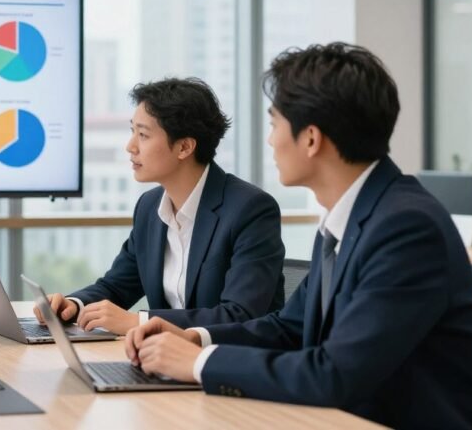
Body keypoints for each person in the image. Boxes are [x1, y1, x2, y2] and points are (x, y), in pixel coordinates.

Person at [124, 43, 472, 429]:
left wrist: (197, 363)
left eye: (275, 124)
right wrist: (193, 337)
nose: (270, 140)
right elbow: (287, 327)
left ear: (310, 139)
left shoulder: (405, 227)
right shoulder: (350, 216)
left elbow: (335, 374)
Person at [35, 78, 285, 335]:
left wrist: (140, 322)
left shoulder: (250, 210)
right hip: (165, 360)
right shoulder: (149, 206)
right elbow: (117, 286)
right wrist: (73, 305)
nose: (130, 146)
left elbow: (240, 314)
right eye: (133, 131)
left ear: (184, 147)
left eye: (143, 135)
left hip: (230, 364)